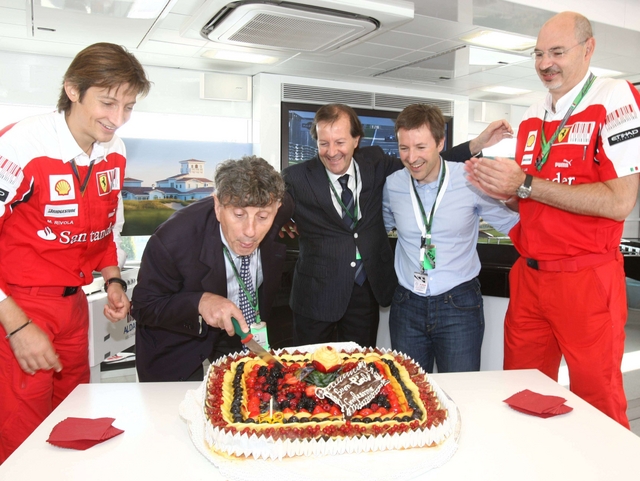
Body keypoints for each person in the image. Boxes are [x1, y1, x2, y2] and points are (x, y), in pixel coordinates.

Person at [465, 11, 640, 428]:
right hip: (530, 277)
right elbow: (528, 202)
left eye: (558, 52)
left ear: (588, 48)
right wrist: (503, 191)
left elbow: (620, 202)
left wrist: (525, 183)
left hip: (586, 279)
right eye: (539, 54)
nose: (546, 64)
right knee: (522, 393)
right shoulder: (532, 115)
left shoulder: (615, 97)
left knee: (597, 398)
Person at [0, 42, 151, 462]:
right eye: (107, 102)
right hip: (19, 304)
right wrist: (16, 326)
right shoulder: (21, 145)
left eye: (128, 107)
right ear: (72, 89)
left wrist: (113, 278)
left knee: (72, 417)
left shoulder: (114, 152)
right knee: (23, 433)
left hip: (74, 308)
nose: (117, 119)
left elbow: (105, 228)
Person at [283, 103, 512, 348]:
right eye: (323, 143)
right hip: (316, 295)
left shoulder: (375, 163)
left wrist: (476, 144)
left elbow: (427, 162)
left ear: (356, 140)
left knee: (361, 374)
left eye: (340, 142)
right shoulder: (295, 178)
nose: (331, 152)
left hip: (365, 293)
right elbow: (270, 208)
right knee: (306, 374)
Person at [382, 104, 519, 373]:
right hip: (407, 305)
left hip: (458, 306)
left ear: (441, 143)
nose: (411, 158)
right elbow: (380, 226)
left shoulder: (469, 180)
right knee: (409, 394)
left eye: (421, 147)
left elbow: (513, 223)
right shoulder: (393, 184)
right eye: (404, 148)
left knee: (462, 394)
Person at [132, 156, 294, 382]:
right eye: (238, 215)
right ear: (217, 206)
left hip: (239, 331)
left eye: (263, 217)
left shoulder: (276, 205)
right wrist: (199, 302)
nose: (250, 230)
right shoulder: (173, 239)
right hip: (176, 338)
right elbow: (143, 306)